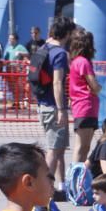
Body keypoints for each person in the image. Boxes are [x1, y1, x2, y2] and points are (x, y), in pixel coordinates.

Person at [33, 16, 76, 194]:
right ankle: (43, 189)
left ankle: (60, 185)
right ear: (66, 33)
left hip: (43, 105)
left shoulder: (42, 48)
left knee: (58, 148)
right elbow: (57, 83)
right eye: (71, 33)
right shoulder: (58, 53)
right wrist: (61, 109)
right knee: (54, 149)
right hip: (53, 106)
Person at [67, 29, 101, 163]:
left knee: (84, 147)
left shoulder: (76, 61)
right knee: (81, 147)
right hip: (85, 106)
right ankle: (75, 176)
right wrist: (97, 88)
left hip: (84, 107)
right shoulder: (84, 62)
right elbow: (95, 86)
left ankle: (78, 174)